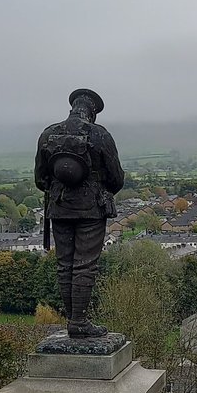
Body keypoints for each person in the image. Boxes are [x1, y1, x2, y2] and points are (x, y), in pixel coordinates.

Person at [34, 88, 125, 337]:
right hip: (90, 208)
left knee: (64, 265)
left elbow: (40, 178)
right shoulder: (100, 135)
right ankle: (79, 321)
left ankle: (72, 321)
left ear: (72, 107)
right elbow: (116, 178)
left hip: (59, 207)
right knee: (84, 265)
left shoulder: (48, 134)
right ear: (93, 111)